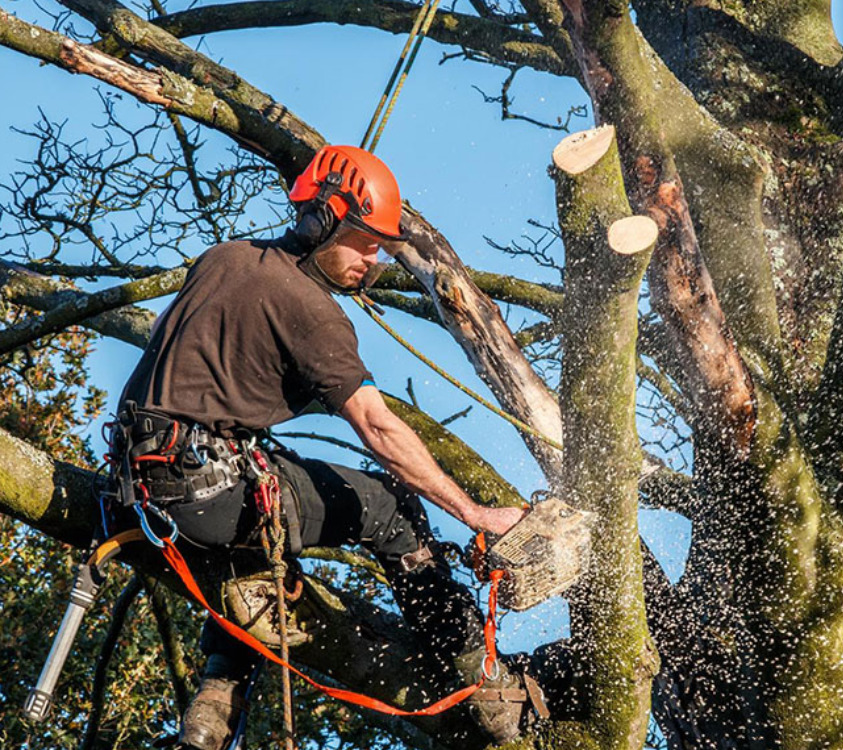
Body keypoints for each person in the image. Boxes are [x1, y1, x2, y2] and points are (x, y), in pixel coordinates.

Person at [112, 145, 543, 750]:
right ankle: (484, 682)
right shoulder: (312, 311)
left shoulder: (222, 258)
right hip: (208, 492)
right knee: (390, 507)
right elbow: (378, 427)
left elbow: (168, 341)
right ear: (323, 222)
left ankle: (212, 709)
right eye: (365, 244)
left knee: (261, 541)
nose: (374, 261)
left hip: (133, 487)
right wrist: (475, 514)